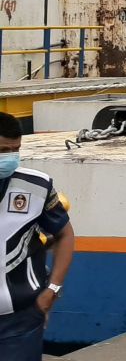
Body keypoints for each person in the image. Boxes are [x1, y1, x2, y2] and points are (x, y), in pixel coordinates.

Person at [0, 112, 74, 360]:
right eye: (2, 150)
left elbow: (65, 235)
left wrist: (52, 290)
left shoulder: (36, 187)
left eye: (15, 150)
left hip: (20, 319)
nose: (9, 157)